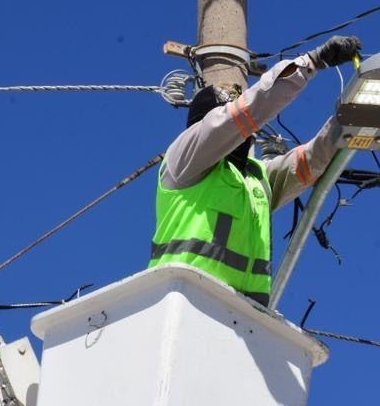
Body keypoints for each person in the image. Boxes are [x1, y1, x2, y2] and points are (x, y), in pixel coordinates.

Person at [149, 36, 362, 306]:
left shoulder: (255, 178)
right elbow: (249, 110)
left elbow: (310, 161)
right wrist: (312, 61)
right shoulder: (182, 161)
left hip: (245, 318)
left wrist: (350, 116)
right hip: (184, 302)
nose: (245, 132)